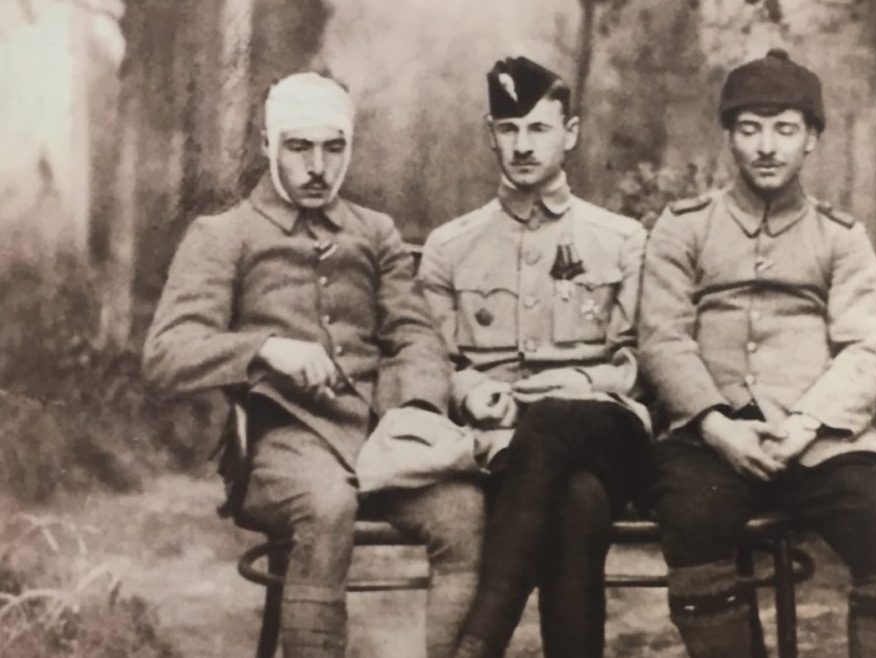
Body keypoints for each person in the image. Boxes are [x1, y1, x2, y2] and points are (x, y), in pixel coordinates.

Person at [143, 72, 482, 658]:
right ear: (268, 145)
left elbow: (416, 335)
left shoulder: (374, 232)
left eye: (334, 147)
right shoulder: (224, 236)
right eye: (299, 147)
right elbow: (166, 354)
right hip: (279, 443)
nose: (318, 167)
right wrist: (264, 348)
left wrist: (415, 412)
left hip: (379, 438)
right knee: (327, 504)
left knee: (464, 514)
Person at [638, 49, 876, 658]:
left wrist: (805, 425)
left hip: (818, 440)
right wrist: (716, 426)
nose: (767, 147)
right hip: (711, 438)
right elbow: (663, 337)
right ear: (729, 137)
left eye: (785, 130)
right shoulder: (683, 227)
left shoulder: (841, 237)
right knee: (692, 516)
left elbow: (871, 349)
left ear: (811, 139)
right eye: (750, 129)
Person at [417, 56, 650, 658]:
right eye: (509, 128)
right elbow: (429, 359)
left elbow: (637, 362)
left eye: (539, 128)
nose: (522, 145)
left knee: (556, 432)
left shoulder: (620, 240)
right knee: (578, 503)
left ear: (569, 134)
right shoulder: (451, 247)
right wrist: (469, 390)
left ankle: (480, 640)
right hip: (499, 444)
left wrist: (579, 383)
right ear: (490, 134)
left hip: (602, 428)